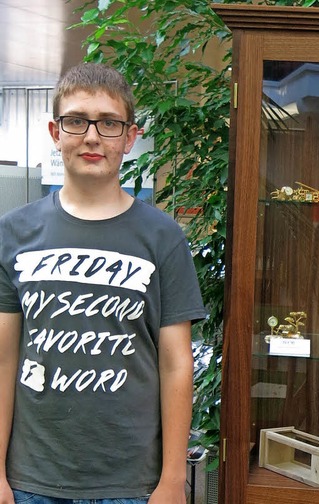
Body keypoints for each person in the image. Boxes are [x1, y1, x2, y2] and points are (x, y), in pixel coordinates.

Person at [0, 63, 206, 504]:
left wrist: (172, 481)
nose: (93, 136)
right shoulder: (12, 233)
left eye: (109, 123)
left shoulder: (162, 237)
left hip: (132, 484)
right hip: (31, 481)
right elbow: (2, 361)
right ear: (56, 132)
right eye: (77, 120)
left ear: (129, 137)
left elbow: (176, 365)